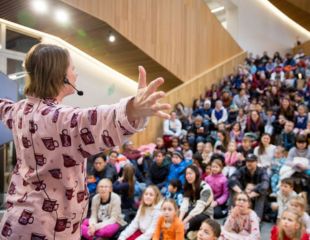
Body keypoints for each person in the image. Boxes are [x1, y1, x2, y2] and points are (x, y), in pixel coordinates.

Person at [0, 43, 170, 239]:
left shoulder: (19, 110)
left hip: (15, 222)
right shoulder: (62, 120)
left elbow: (3, 107)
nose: (76, 74)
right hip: (48, 229)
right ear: (60, 76)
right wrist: (133, 109)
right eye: (72, 68)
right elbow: (98, 120)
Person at [228, 154, 269, 220]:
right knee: (233, 187)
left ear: (256, 162)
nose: (249, 163)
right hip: (243, 196)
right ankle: (231, 215)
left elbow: (265, 185)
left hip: (255, 198)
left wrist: (249, 195)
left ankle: (256, 219)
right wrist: (241, 193)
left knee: (262, 191)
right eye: (247, 161)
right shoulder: (242, 170)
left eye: (251, 161)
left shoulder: (262, 171)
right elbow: (231, 180)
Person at [180, 165, 214, 233]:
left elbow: (199, 208)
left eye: (190, 173)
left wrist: (184, 221)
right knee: (178, 215)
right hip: (193, 210)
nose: (188, 176)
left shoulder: (205, 188)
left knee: (187, 224)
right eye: (187, 174)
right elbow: (184, 204)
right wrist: (179, 220)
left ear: (196, 174)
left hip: (205, 214)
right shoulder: (188, 186)